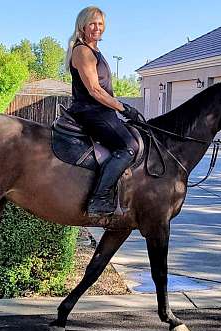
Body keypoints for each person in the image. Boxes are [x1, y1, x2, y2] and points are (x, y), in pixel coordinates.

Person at [65, 6, 140, 217]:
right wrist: (123, 107)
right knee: (128, 146)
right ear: (82, 26)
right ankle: (99, 199)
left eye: (100, 24)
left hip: (101, 111)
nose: (97, 28)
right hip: (90, 111)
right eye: (92, 23)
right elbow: (95, 90)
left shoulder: (95, 50)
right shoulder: (82, 51)